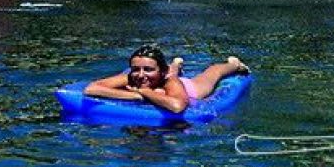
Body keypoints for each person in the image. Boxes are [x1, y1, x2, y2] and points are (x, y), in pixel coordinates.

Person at [83, 45, 250, 114]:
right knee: (168, 71)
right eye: (136, 69)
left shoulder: (171, 81)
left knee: (212, 72)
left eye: (148, 69)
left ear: (161, 72)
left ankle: (234, 64)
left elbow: (178, 106)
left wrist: (145, 92)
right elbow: (91, 89)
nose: (140, 75)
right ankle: (176, 64)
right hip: (161, 77)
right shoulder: (132, 77)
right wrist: (135, 96)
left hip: (190, 89)